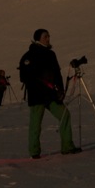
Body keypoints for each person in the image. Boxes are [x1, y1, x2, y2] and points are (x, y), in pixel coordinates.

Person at [17, 29, 79, 158]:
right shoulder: (28, 56)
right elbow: (23, 77)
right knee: (36, 124)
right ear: (38, 38)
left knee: (64, 115)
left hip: (50, 95)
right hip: (37, 95)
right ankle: (34, 152)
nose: (48, 38)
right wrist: (40, 78)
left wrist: (60, 90)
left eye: (48, 36)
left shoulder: (51, 54)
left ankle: (67, 146)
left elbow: (57, 74)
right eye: (45, 36)